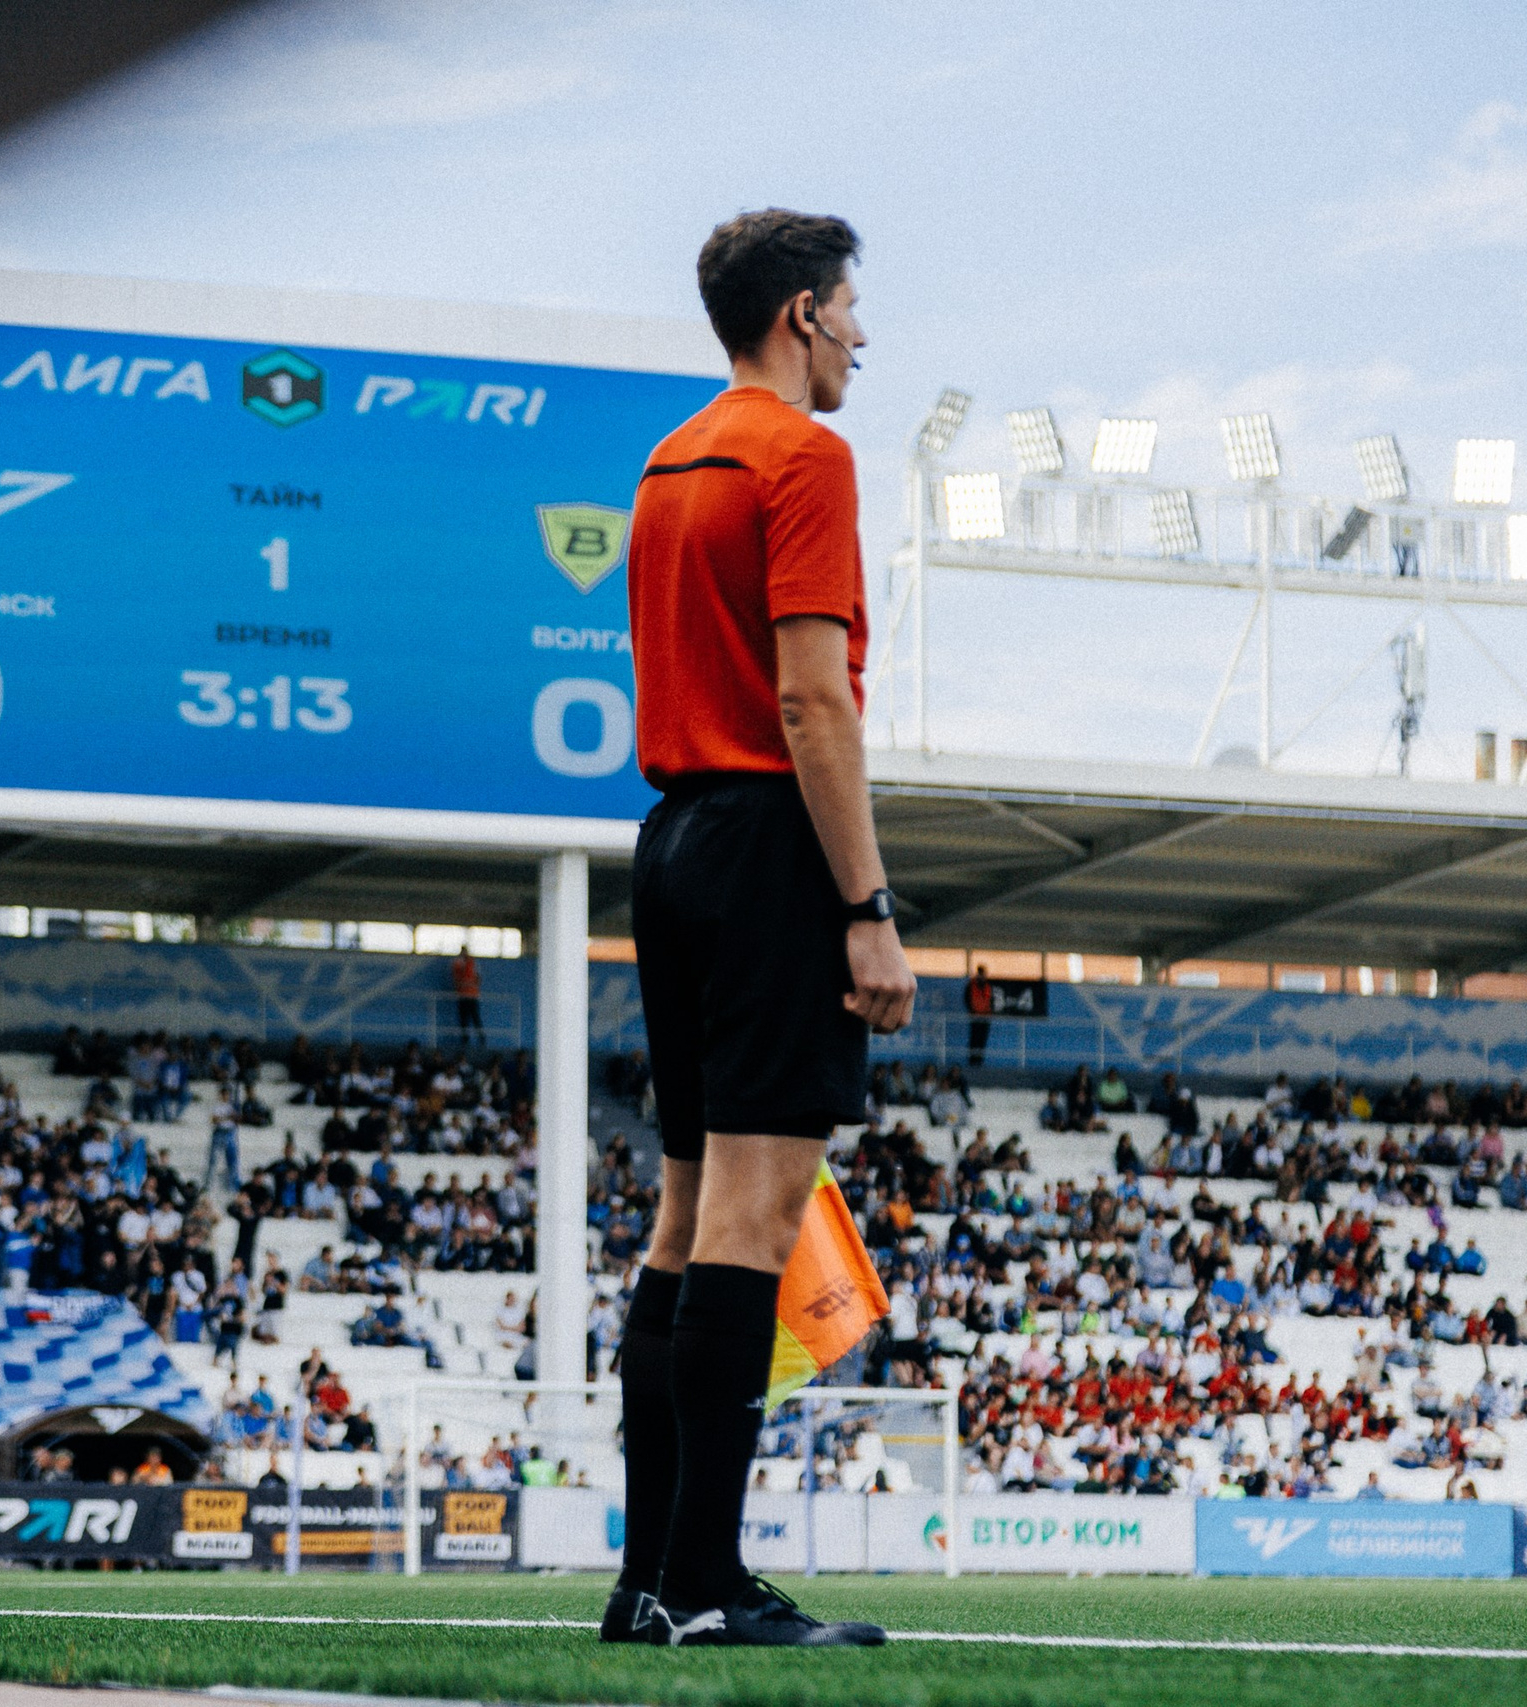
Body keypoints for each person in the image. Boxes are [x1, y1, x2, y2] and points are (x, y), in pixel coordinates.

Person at [609, 209, 909, 1651]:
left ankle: (648, 1580)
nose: (861, 334)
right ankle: (704, 1585)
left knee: (682, 1218)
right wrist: (868, 908)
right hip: (768, 846)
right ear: (800, 314)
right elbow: (810, 701)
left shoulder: (669, 462)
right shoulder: (806, 459)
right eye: (850, 308)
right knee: (748, 1218)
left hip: (670, 842)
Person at [450, 949, 485, 1047]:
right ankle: (465, 1040)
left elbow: (479, 979)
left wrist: (469, 984)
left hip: (473, 996)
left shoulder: (474, 963)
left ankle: (482, 1038)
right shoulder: (457, 963)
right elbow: (455, 979)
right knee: (464, 1019)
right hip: (462, 996)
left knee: (475, 1018)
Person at [964, 963, 992, 1068]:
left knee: (982, 1040)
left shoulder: (988, 986)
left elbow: (991, 1000)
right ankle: (973, 1061)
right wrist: (972, 1011)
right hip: (975, 1016)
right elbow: (967, 999)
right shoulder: (971, 985)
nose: (982, 976)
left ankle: (979, 1061)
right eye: (980, 973)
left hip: (985, 1017)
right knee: (974, 1039)